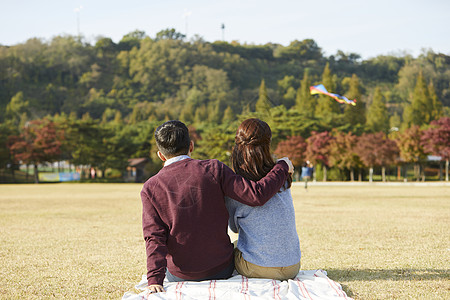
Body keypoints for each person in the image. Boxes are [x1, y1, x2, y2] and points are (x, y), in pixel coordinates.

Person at [141, 120, 294, 295]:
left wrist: (154, 279)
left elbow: (154, 238)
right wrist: (281, 167)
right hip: (220, 269)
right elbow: (256, 195)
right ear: (191, 146)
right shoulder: (214, 168)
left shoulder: (150, 187)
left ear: (160, 155)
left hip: (179, 274)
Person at [225, 118, 301, 280]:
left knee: (234, 247)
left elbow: (234, 228)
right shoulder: (281, 177)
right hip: (292, 266)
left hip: (257, 268)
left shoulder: (238, 185)